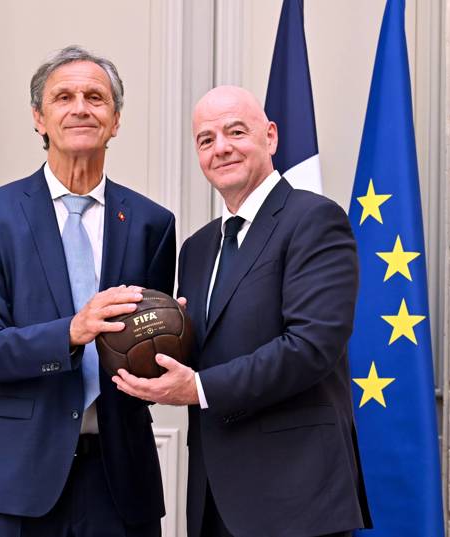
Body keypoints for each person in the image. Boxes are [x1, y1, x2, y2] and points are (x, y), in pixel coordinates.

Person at [113, 86, 372, 537]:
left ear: (270, 137)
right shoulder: (197, 247)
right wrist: (159, 342)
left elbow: (311, 347)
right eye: (206, 139)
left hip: (297, 497)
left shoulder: (315, 220)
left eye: (236, 131)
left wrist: (197, 387)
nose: (222, 148)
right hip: (213, 497)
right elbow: (209, 350)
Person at [0, 46, 176, 537]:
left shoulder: (151, 224)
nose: (81, 107)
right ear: (39, 118)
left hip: (120, 485)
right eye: (63, 97)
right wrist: (71, 332)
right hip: (12, 485)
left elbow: (143, 357)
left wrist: (172, 342)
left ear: (115, 120)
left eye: (96, 97)